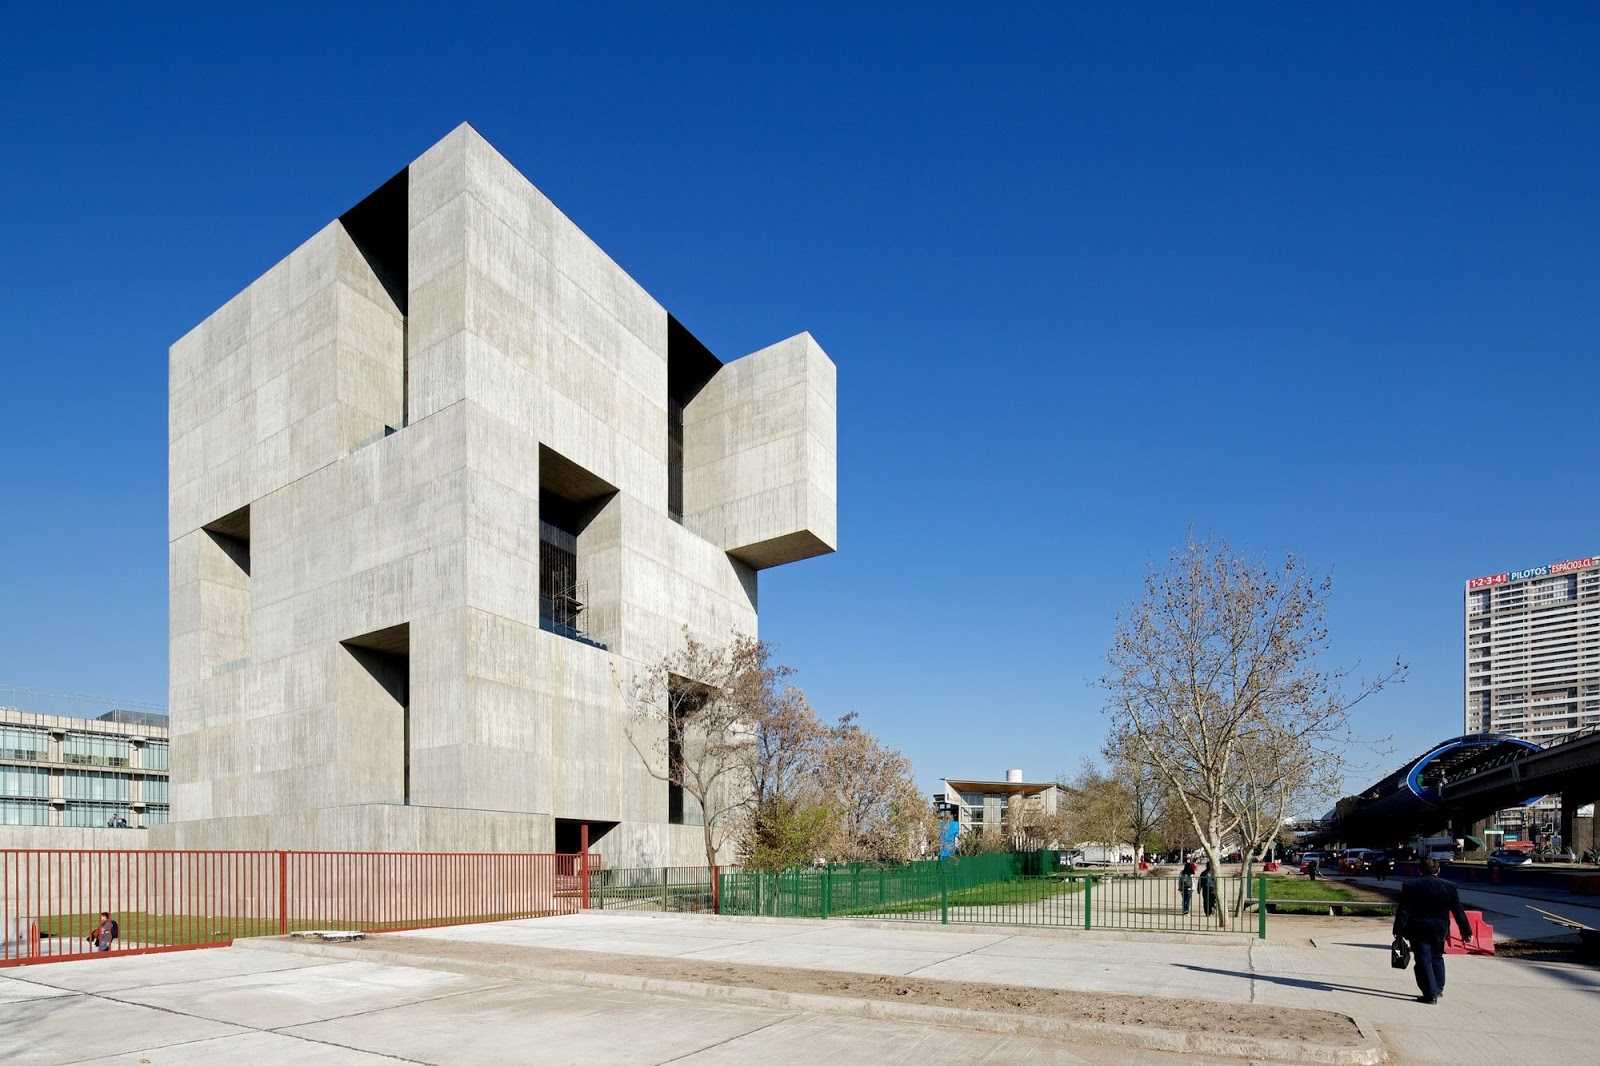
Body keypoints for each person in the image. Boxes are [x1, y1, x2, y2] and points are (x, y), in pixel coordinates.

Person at [1393, 858, 1472, 1004]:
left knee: (1423, 959)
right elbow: (1458, 910)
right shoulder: (1450, 886)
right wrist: (1466, 931)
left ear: (1420, 870)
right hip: (1439, 929)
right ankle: (1438, 988)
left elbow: (1403, 910)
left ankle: (1430, 994)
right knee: (1437, 957)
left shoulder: (1410, 886)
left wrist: (1398, 929)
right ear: (1438, 871)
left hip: (1418, 928)